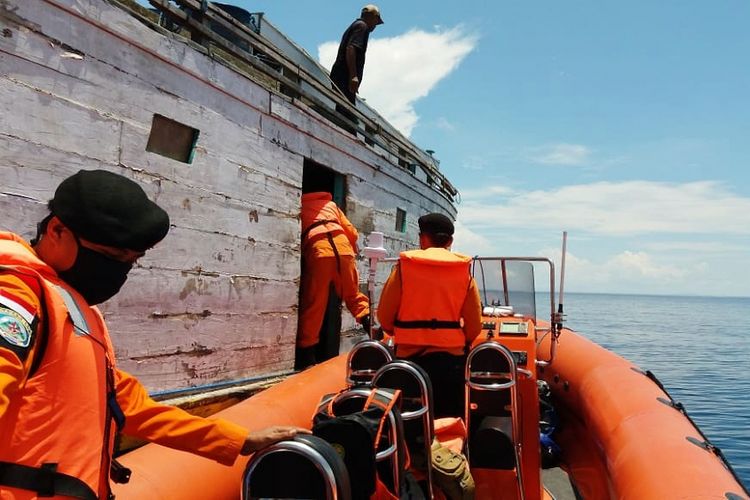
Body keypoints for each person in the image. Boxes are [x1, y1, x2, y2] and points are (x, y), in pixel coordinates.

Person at [0, 169, 307, 499]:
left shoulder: (74, 308)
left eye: (133, 260)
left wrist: (237, 440)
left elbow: (128, 406)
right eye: (113, 257)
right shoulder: (17, 295)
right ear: (57, 229)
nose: (121, 270)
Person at [376, 213, 482, 417]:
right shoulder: (464, 272)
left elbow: (385, 316)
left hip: (409, 361)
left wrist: (399, 332)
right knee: (448, 421)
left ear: (422, 238)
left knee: (409, 420)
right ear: (450, 241)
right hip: (450, 362)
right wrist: (462, 341)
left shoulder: (403, 268)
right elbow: (474, 325)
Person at [297, 191, 370, 369]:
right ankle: (377, 334)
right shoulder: (330, 205)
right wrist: (352, 248)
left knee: (315, 303)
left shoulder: (299, 204)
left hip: (319, 250)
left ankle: (307, 359)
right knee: (354, 296)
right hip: (343, 248)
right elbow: (351, 232)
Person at [330, 5, 384, 129]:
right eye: (376, 21)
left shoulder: (356, 26)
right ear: (371, 17)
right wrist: (353, 76)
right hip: (344, 75)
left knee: (344, 110)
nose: (375, 25)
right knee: (348, 114)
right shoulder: (362, 26)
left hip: (341, 75)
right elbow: (351, 48)